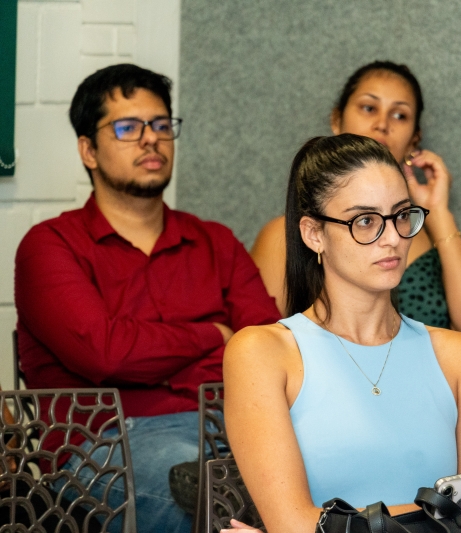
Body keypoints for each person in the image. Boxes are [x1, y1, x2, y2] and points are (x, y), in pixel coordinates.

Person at [14, 63, 281, 532]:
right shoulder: (50, 245)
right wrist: (215, 336)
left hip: (231, 424)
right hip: (104, 442)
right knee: (204, 496)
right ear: (88, 150)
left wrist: (153, 349)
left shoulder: (216, 242)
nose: (151, 139)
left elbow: (266, 346)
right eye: (127, 128)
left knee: (323, 473)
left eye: (160, 125)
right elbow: (105, 353)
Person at [223, 134, 461, 533]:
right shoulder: (261, 353)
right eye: (366, 221)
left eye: (401, 215)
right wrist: (440, 515)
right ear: (314, 233)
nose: (393, 238)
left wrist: (333, 526)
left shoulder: (460, 356)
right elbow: (292, 523)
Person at [250, 61, 461, 344]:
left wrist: (439, 213)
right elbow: (263, 347)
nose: (382, 124)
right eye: (369, 108)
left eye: (399, 115)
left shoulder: (423, 230)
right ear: (336, 120)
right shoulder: (286, 234)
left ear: (414, 139)